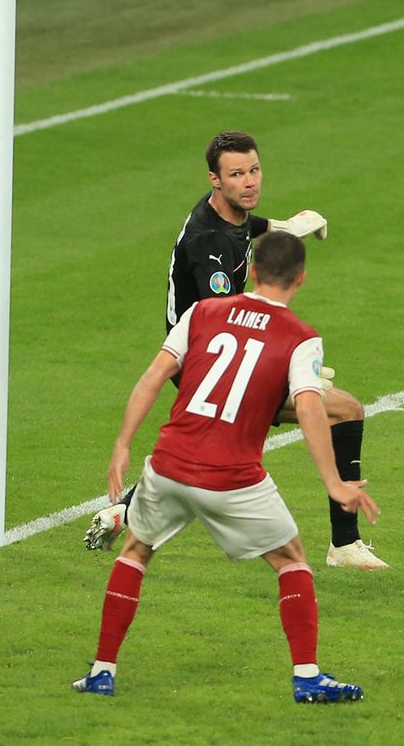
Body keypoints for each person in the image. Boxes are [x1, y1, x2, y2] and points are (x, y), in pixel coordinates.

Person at [72, 231, 379, 703]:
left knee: (135, 550)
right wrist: (334, 483)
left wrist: (122, 443)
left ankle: (102, 670)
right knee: (291, 559)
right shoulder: (302, 339)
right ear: (301, 278)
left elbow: (155, 376)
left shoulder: (202, 312)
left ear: (252, 271)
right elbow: (312, 408)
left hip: (169, 465)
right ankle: (308, 677)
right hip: (233, 478)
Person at [86, 132, 389, 571]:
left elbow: (253, 227)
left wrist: (289, 225)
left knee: (230, 443)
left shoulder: (229, 214)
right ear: (215, 179)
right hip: (200, 360)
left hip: (217, 352)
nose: (249, 182)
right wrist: (286, 370)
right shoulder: (208, 244)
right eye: (236, 174)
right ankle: (342, 544)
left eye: (254, 170)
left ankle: (126, 511)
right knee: (344, 411)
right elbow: (233, 318)